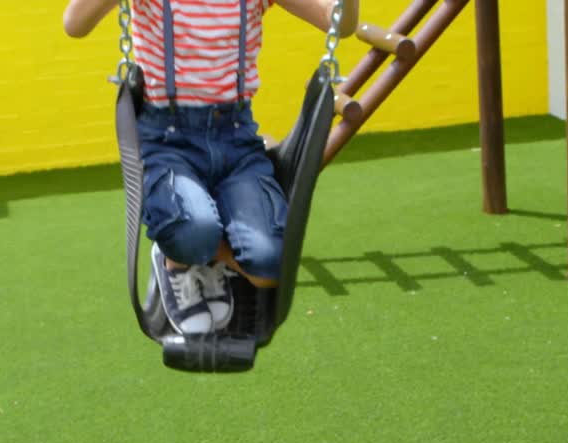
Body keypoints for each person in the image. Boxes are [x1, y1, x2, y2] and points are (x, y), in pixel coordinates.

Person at [64, 0, 358, 334]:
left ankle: (200, 250)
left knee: (274, 263)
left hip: (236, 142)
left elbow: (340, 23)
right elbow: (75, 23)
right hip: (167, 141)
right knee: (194, 233)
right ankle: (178, 256)